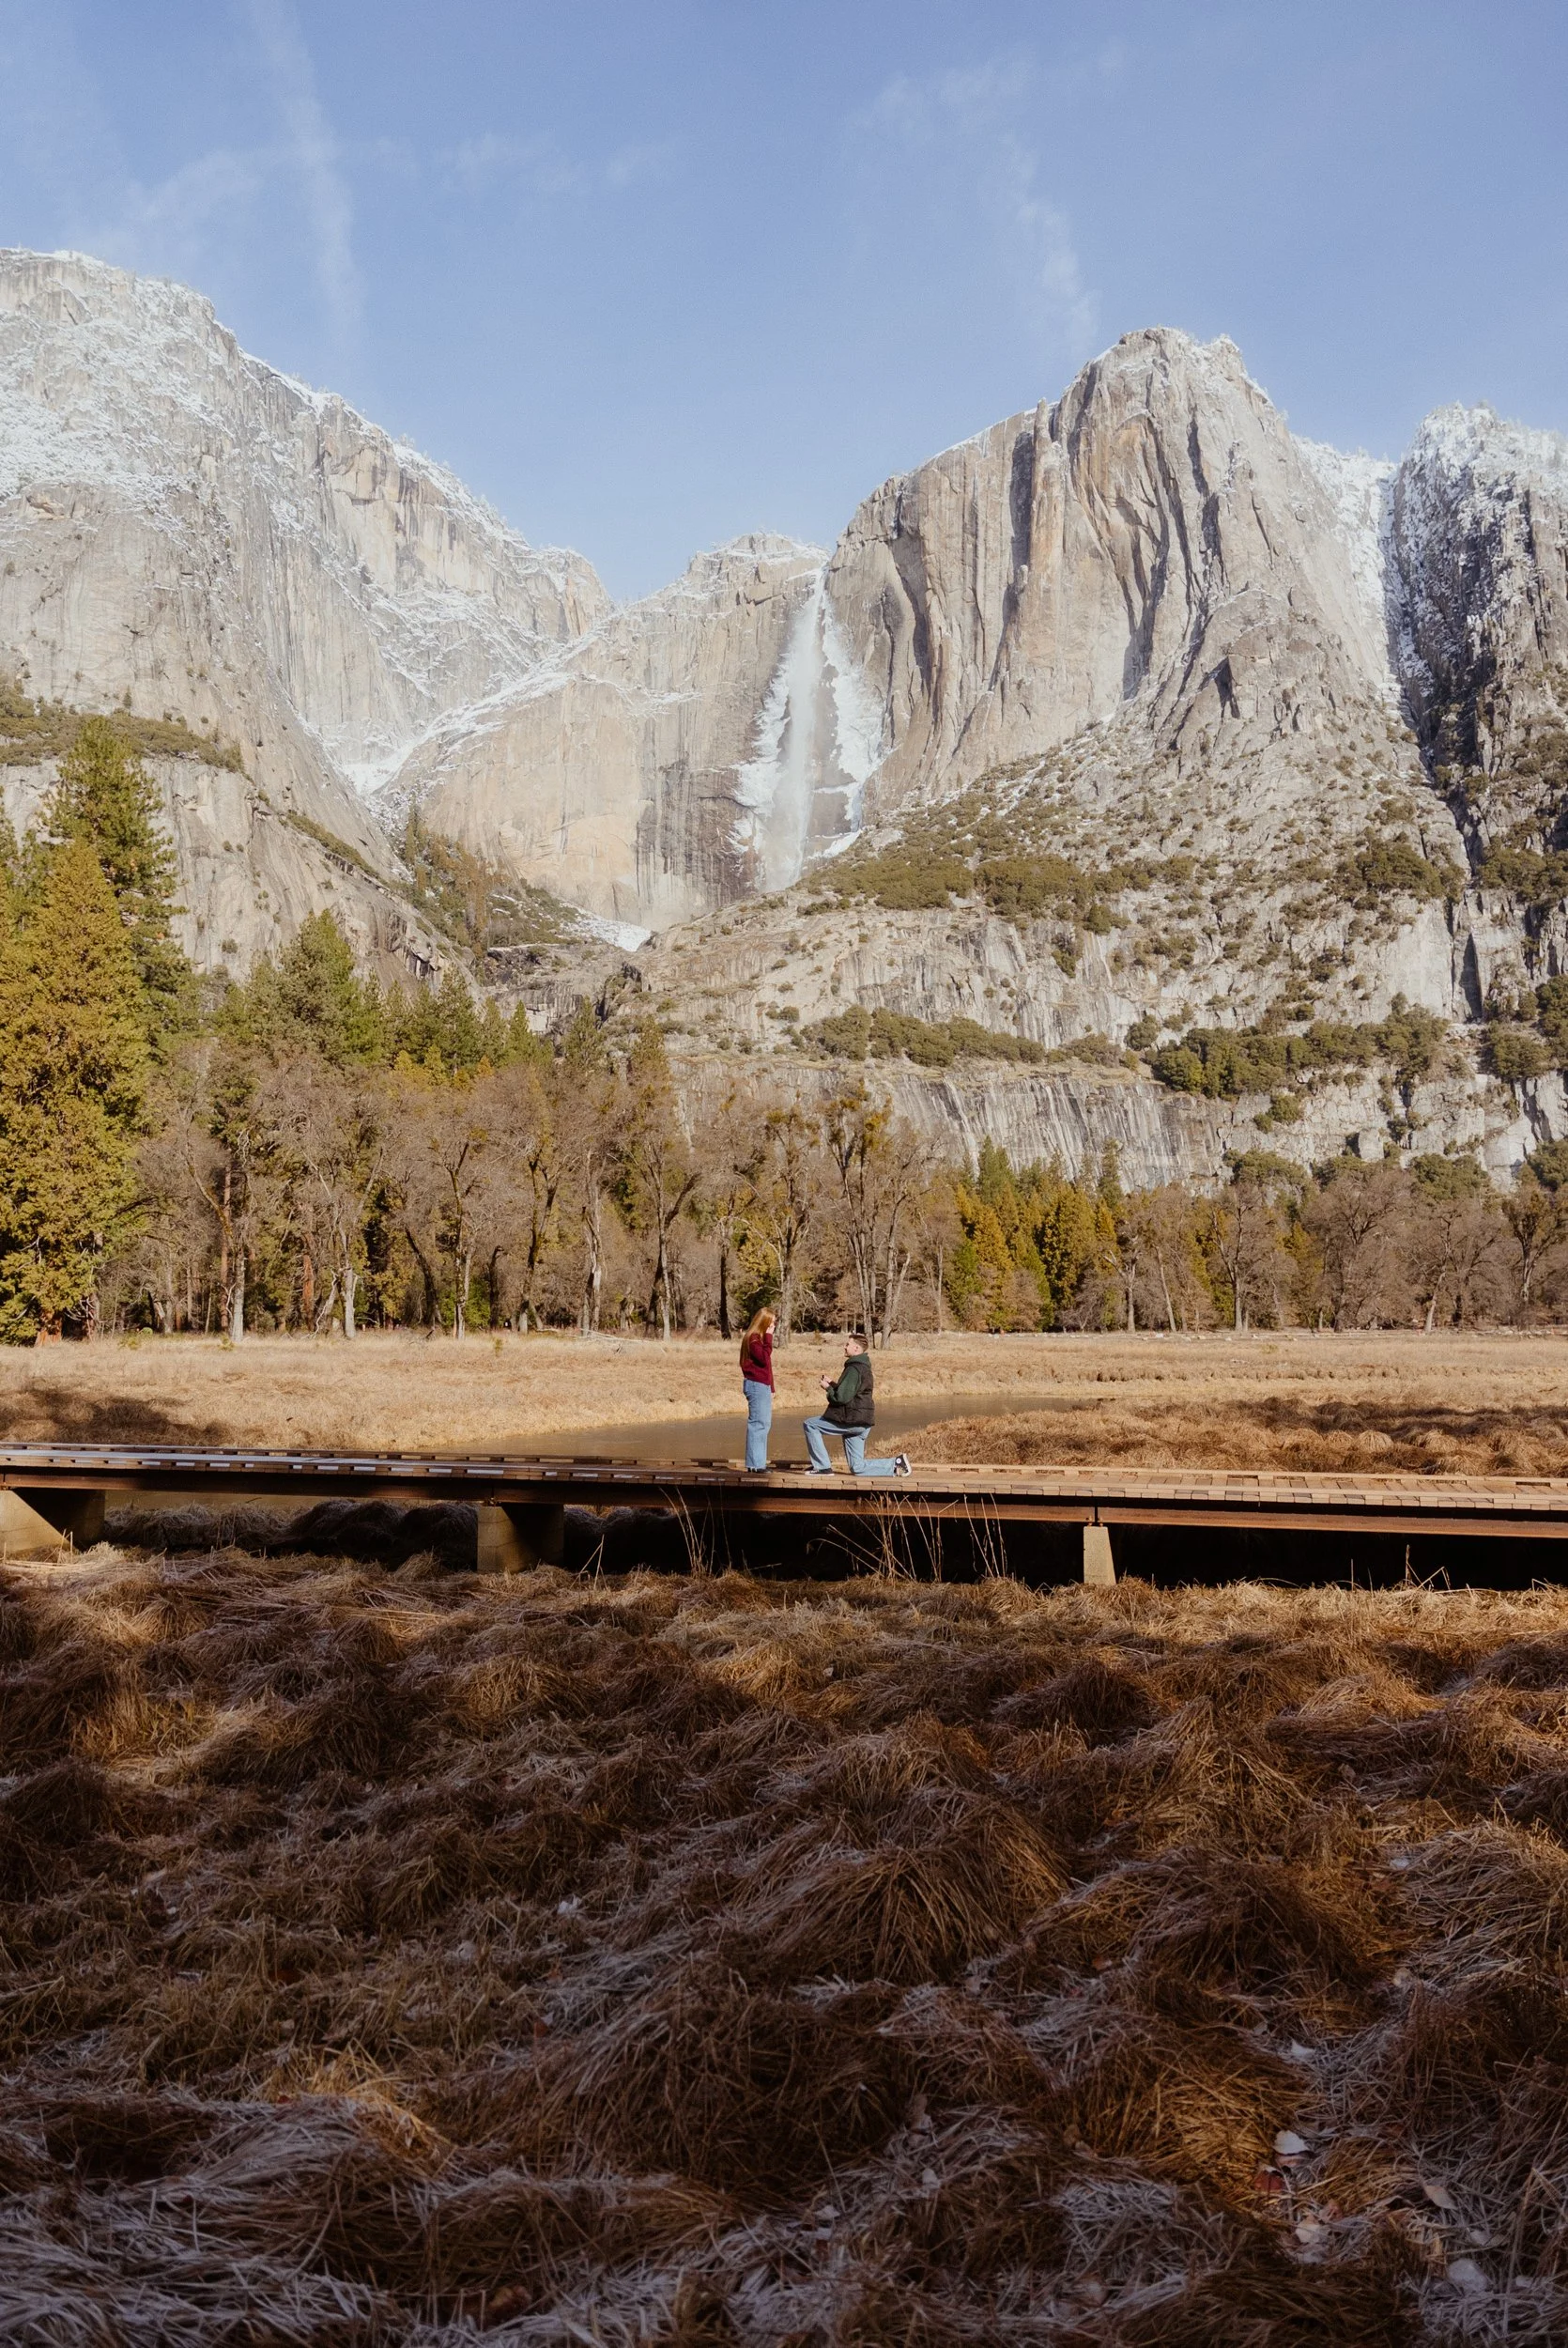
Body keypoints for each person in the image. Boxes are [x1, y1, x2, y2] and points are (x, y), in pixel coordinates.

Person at [803, 1332, 911, 1476]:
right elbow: (852, 1393)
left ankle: (823, 1467)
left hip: (852, 1421)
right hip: (862, 1422)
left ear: (856, 1349)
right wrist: (833, 1384)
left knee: (810, 1424)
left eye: (848, 1344)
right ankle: (896, 1464)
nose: (844, 1347)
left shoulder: (853, 1368)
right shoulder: (863, 1367)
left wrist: (827, 1388)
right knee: (857, 1468)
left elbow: (841, 1398)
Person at [739, 1305, 776, 1472]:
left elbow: (767, 1366)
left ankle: (757, 1463)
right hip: (756, 1385)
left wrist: (772, 1388)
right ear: (763, 1323)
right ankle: (755, 1464)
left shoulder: (757, 1339)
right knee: (758, 1424)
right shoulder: (753, 1338)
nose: (773, 1327)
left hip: (762, 1385)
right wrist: (769, 1337)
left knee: (764, 1424)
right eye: (771, 1324)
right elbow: (763, 1358)